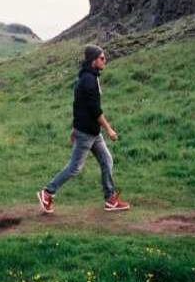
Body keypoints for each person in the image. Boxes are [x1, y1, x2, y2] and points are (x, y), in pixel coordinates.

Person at [37, 45, 130, 214]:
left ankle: (110, 199)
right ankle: (47, 192)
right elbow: (95, 110)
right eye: (102, 58)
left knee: (107, 160)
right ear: (93, 60)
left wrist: (74, 127)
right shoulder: (88, 80)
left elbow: (77, 105)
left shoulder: (88, 77)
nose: (104, 61)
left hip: (92, 132)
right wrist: (109, 129)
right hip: (87, 133)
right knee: (75, 168)